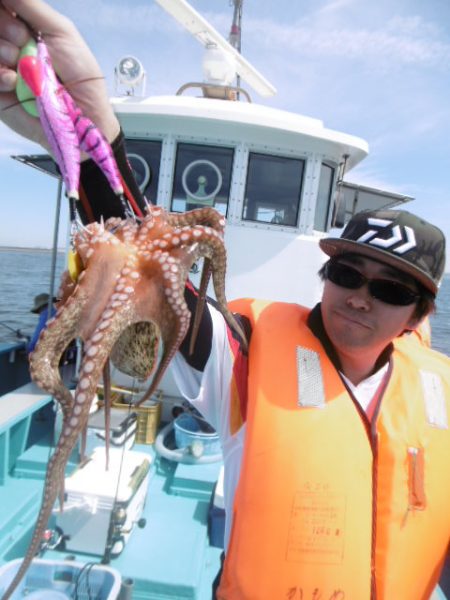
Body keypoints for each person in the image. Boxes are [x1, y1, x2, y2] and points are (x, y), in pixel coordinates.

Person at [1, 3, 449, 599]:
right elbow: (147, 270)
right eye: (347, 272)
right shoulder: (246, 356)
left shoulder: (440, 390)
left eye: (391, 289)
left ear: (419, 314)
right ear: (326, 274)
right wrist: (86, 131)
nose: (361, 298)